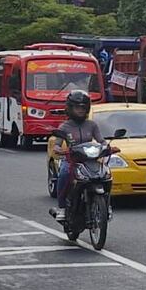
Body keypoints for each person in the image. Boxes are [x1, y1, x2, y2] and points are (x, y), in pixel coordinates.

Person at [49, 90, 101, 222]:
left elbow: (102, 141)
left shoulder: (92, 125)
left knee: (105, 174)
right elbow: (57, 144)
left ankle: (106, 206)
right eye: (77, 107)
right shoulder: (65, 126)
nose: (80, 110)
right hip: (71, 161)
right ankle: (62, 208)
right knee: (64, 174)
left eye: (83, 107)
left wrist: (109, 148)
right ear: (70, 108)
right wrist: (58, 149)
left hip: (89, 161)